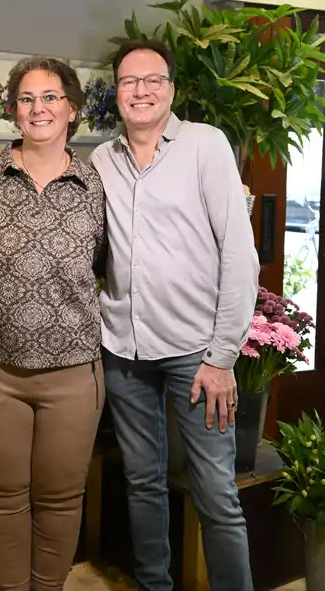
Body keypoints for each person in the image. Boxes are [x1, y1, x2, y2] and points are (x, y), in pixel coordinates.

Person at [89, 40, 259, 591]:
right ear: (117, 93)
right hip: (124, 350)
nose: (140, 91)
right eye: (128, 81)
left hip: (197, 354)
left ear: (171, 89)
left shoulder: (205, 145)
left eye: (152, 80)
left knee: (216, 494)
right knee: (142, 484)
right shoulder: (101, 160)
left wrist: (223, 357)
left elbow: (239, 254)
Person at [0, 56, 106, 591]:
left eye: (51, 97)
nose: (38, 108)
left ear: (72, 109)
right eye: (26, 99)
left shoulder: (95, 185)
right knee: (5, 497)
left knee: (61, 499)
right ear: (13, 110)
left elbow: (116, 266)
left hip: (74, 373)